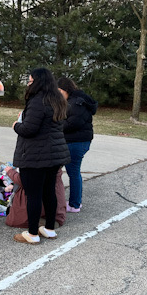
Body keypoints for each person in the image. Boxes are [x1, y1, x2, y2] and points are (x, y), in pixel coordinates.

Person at [11, 68, 70, 244]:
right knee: (48, 191)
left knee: (34, 194)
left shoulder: (38, 101)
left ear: (38, 81)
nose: (29, 84)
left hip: (36, 155)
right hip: (54, 156)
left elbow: (29, 129)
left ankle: (32, 233)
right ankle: (49, 228)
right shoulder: (57, 100)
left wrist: (16, 125)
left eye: (30, 81)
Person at [58, 77, 97, 213]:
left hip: (76, 142)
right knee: (73, 171)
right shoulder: (76, 100)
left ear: (65, 90)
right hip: (79, 141)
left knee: (73, 172)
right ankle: (75, 202)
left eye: (59, 91)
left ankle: (75, 204)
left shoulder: (76, 103)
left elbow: (73, 123)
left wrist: (56, 125)